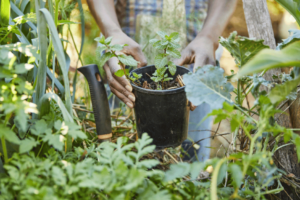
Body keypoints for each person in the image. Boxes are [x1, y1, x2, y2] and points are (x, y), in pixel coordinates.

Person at [87, 0, 237, 161]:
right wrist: (112, 32)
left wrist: (209, 37)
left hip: (194, 68)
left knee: (189, 156)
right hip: (125, 64)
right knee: (123, 153)